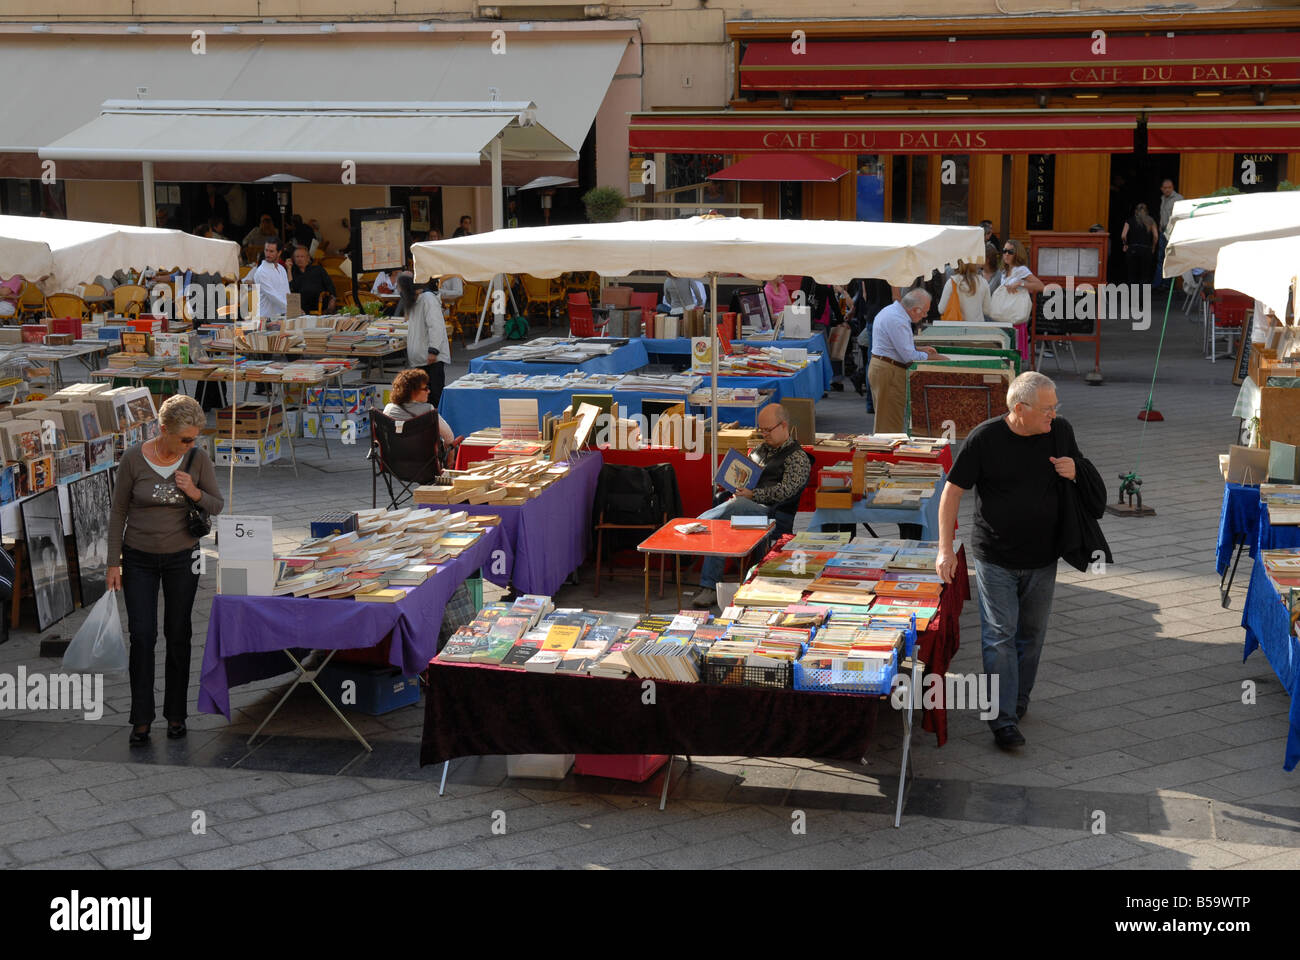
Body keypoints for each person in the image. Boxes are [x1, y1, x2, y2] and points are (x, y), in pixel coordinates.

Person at [936, 371, 1088, 751]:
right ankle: (1001, 718)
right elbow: (952, 492)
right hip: (995, 556)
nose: (1054, 414)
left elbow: (1085, 475)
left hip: (1043, 555)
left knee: (1031, 635)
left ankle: (1018, 700)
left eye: (1056, 407)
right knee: (1000, 635)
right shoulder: (985, 439)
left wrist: (1076, 471)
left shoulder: (1060, 431)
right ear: (1020, 408)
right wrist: (944, 548)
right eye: (1047, 409)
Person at [106, 396, 224, 745]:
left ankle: (176, 715)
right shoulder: (132, 459)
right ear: (163, 430)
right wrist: (114, 562)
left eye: (195, 438)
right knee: (142, 636)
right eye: (186, 438)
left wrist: (195, 492)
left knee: (179, 633)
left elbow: (217, 504)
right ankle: (141, 718)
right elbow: (117, 512)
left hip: (182, 556)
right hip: (138, 557)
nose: (192, 444)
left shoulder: (197, 459)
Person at [691, 404, 812, 609]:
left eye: (768, 430)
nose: (764, 434)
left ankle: (699, 525)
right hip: (748, 505)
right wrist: (732, 482)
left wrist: (753, 494)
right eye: (761, 430)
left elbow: (787, 491)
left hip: (772, 513)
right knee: (729, 509)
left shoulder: (797, 457)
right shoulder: (761, 450)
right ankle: (710, 585)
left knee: (735, 506)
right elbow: (745, 474)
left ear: (783, 426)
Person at [868, 288, 940, 434]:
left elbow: (899, 346)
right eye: (925, 312)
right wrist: (934, 358)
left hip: (885, 368)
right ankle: (884, 456)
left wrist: (919, 348)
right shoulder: (898, 320)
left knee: (886, 420)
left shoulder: (892, 311)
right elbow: (909, 356)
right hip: (889, 371)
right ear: (915, 310)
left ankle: (883, 454)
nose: (925, 315)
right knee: (889, 425)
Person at [396, 272, 451, 407]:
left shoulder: (427, 299)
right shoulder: (416, 300)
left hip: (431, 359)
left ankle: (438, 424)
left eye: (399, 288)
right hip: (421, 359)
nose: (398, 291)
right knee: (424, 400)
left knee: (434, 396)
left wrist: (434, 350)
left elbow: (435, 326)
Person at [383, 368, 458, 450]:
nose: (429, 391)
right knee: (452, 446)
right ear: (413, 391)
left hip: (393, 460)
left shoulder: (388, 409)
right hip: (425, 460)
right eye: (425, 388)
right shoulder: (428, 410)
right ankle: (450, 463)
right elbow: (449, 438)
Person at [938, 259, 993, 324]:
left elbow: (941, 309)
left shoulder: (952, 282)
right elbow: (987, 310)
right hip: (978, 327)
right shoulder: (983, 282)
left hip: (957, 327)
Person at [1153, 178, 1183, 292]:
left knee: (1170, 258)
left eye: (1169, 187)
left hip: (1172, 232)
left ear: (1173, 188)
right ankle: (1158, 283)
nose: (1167, 190)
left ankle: (1167, 285)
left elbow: (1178, 217)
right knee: (1161, 257)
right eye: (1165, 188)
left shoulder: (1178, 199)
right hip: (1163, 231)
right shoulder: (1163, 199)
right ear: (1161, 189)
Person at [289, 243, 337, 314]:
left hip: (319, 302)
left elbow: (330, 285)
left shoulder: (318, 269)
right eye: (297, 257)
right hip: (301, 306)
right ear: (293, 259)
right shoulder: (293, 272)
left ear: (308, 258)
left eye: (302, 256)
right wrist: (289, 269)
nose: (299, 259)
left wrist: (333, 299)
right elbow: (291, 288)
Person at [250, 238, 290, 318]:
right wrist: (291, 308)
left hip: (282, 316)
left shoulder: (281, 269)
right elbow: (273, 296)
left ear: (279, 253)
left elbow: (287, 292)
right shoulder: (261, 272)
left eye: (271, 251)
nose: (268, 254)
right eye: (266, 250)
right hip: (266, 318)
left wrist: (293, 307)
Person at [1121, 202, 1159, 286]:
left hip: (1132, 249)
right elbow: (1156, 236)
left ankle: (1134, 298)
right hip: (1146, 250)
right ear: (1146, 211)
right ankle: (1143, 297)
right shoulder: (1151, 221)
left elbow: (1123, 235)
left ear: (1135, 211)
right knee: (1145, 275)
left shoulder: (1129, 221)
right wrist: (1153, 247)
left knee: (1132, 274)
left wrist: (1125, 244)